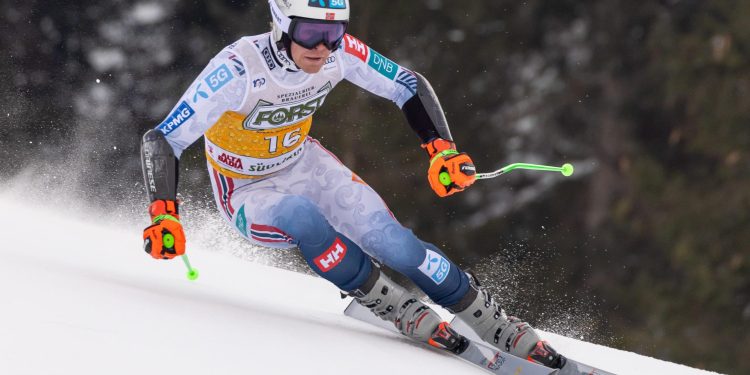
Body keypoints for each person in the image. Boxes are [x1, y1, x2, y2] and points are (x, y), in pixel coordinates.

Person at [140, 0, 565, 368]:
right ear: (281, 23)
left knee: (398, 245)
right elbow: (164, 138)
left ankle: (493, 321)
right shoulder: (237, 69)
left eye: (333, 33)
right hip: (247, 191)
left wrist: (442, 149)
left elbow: (407, 84)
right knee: (302, 217)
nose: (323, 47)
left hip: (304, 164)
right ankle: (388, 301)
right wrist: (164, 213)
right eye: (310, 33)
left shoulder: (340, 53)